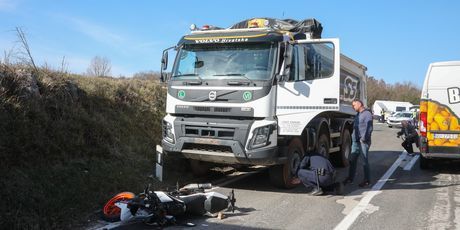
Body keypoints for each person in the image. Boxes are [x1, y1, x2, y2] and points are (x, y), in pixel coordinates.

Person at [344, 99, 374, 187]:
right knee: (352, 160)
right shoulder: (358, 114)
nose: (353, 107)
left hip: (363, 142)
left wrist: (364, 138)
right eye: (352, 105)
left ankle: (367, 180)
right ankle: (350, 178)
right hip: (356, 141)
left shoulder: (367, 114)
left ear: (360, 104)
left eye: (354, 105)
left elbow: (369, 128)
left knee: (364, 161)